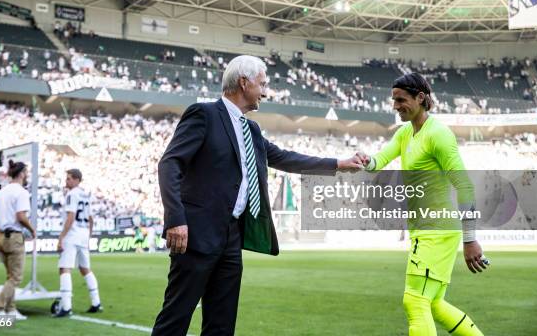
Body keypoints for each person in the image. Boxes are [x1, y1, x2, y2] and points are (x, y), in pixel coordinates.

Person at [151, 55, 359, 335]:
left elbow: (285, 158)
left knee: (222, 323)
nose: (265, 90)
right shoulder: (204, 114)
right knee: (175, 318)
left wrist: (337, 164)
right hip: (197, 235)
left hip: (231, 237)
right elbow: (170, 163)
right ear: (243, 82)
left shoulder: (251, 129)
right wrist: (176, 219)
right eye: (262, 83)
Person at [349, 73, 487, 336]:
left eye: (401, 99)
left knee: (414, 301)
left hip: (435, 231)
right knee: (433, 303)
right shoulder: (405, 133)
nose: (395, 105)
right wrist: (366, 161)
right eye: (393, 100)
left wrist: (470, 239)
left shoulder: (439, 135)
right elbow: (380, 159)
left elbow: (465, 186)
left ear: (420, 98)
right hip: (426, 230)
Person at [0, 160, 35, 320]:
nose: (27, 175)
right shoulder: (21, 192)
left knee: (10, 276)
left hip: (1, 236)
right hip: (14, 236)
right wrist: (32, 229)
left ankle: (11, 309)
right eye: (26, 172)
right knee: (16, 277)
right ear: (21, 173)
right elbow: (21, 217)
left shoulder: (1, 192)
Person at [54, 169, 102, 317]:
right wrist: (89, 236)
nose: (66, 181)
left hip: (72, 235)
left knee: (64, 268)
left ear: (76, 180)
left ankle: (66, 307)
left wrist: (61, 237)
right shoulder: (86, 195)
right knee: (85, 268)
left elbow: (71, 217)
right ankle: (96, 303)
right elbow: (91, 218)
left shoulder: (71, 194)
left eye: (68, 179)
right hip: (83, 235)